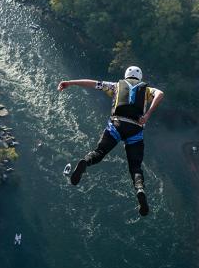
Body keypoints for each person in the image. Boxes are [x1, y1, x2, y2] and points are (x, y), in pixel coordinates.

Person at [57, 66, 164, 216]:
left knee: (99, 152)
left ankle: (85, 162)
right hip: (135, 129)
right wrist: (147, 115)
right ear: (140, 78)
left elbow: (93, 83)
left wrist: (70, 82)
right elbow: (160, 93)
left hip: (117, 125)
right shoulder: (147, 90)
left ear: (126, 76)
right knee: (135, 167)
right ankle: (140, 189)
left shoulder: (115, 86)